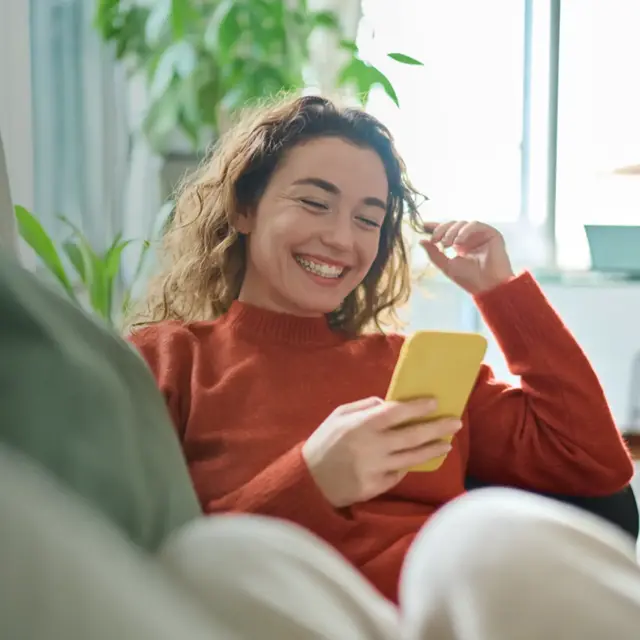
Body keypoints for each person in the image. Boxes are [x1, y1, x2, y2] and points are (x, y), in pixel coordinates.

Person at [126, 95, 639, 637]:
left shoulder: (408, 367)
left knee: (475, 532)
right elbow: (146, 565)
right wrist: (311, 480)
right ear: (243, 208)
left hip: (442, 619)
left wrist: (502, 294)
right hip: (294, 618)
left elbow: (595, 466)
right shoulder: (165, 361)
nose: (342, 238)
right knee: (214, 557)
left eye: (367, 219)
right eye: (314, 203)